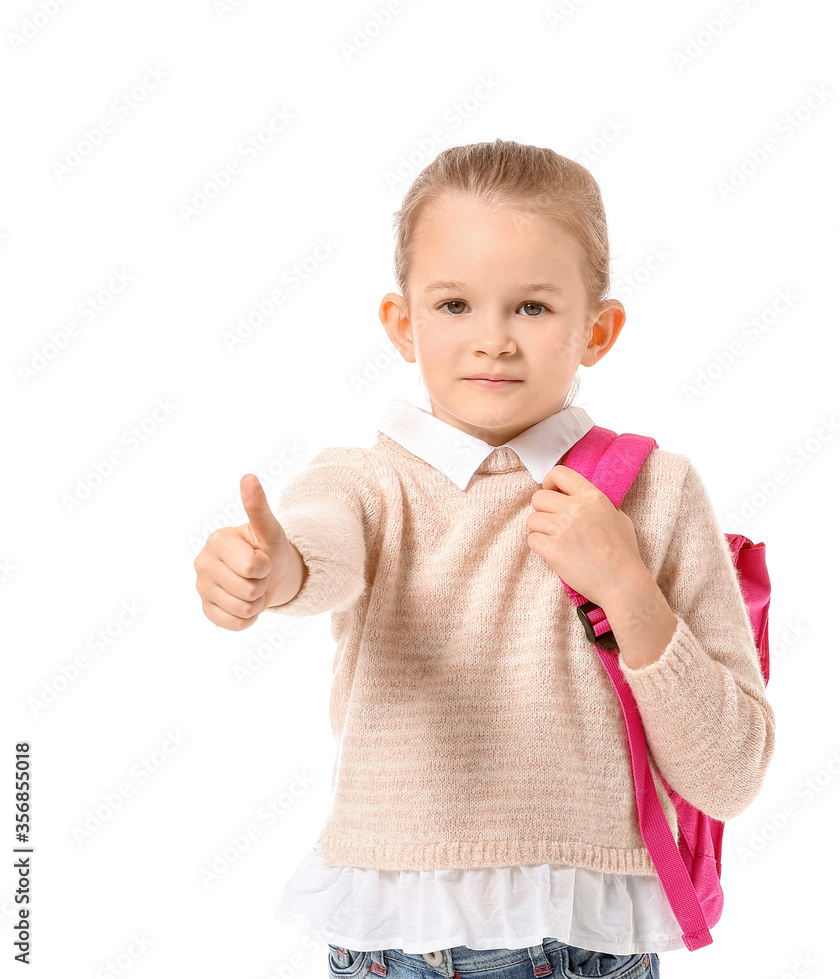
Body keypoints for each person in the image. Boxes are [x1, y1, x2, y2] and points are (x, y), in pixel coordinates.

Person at [193, 139, 776, 979]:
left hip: (591, 947)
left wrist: (627, 587)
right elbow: (320, 549)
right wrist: (269, 568)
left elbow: (731, 774)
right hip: (399, 946)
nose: (493, 340)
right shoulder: (366, 482)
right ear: (403, 324)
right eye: (455, 304)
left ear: (597, 330)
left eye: (532, 308)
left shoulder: (658, 491)